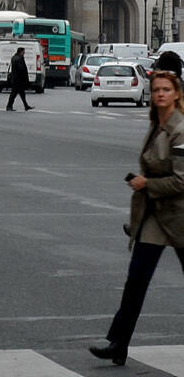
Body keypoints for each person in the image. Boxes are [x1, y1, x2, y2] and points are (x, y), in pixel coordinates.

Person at [89, 69, 184, 366]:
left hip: (180, 217)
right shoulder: (158, 124)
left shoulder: (181, 129)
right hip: (155, 215)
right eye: (156, 89)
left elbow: (182, 181)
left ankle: (118, 342)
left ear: (177, 94)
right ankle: (118, 343)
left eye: (166, 89)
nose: (160, 94)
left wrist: (147, 184)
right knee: (136, 281)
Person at [6, 47, 34, 111]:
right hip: (18, 80)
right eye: (23, 52)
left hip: (15, 78)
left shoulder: (14, 57)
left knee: (21, 93)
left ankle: (26, 105)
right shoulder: (19, 59)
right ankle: (9, 106)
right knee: (14, 94)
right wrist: (25, 78)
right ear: (21, 52)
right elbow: (21, 69)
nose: (24, 53)